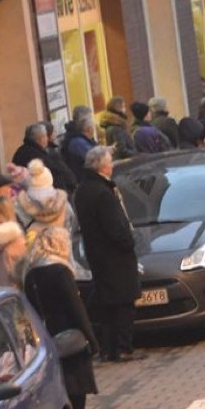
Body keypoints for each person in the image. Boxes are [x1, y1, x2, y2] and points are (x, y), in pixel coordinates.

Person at [23, 226, 105, 409]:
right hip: (71, 344)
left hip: (46, 344)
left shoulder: (31, 275)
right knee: (77, 400)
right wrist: (92, 340)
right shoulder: (60, 272)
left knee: (57, 400)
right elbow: (76, 308)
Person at [74, 146, 143, 362]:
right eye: (110, 162)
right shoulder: (102, 193)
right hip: (115, 257)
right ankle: (123, 347)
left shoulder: (83, 189)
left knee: (108, 304)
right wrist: (128, 242)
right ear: (102, 166)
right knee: (124, 303)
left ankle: (108, 348)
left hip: (98, 255)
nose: (112, 166)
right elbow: (115, 227)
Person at [11, 122, 78, 192]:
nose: (47, 139)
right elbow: (54, 172)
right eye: (46, 136)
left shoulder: (22, 151)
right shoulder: (37, 154)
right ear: (40, 138)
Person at [65, 115, 99, 182]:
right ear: (89, 129)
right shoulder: (78, 143)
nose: (94, 129)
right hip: (85, 178)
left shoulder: (88, 140)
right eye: (93, 126)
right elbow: (92, 157)